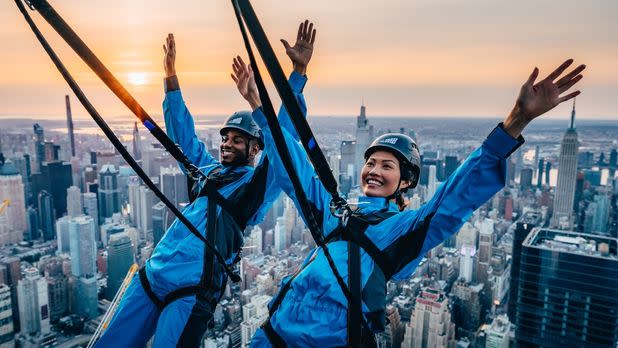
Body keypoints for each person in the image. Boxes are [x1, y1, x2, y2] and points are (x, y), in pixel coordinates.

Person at [230, 56, 585, 346]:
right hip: (270, 335)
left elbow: (455, 197)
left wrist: (517, 120)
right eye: (371, 162)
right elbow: (294, 167)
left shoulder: (402, 230)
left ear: (407, 182)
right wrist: (259, 106)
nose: (374, 170)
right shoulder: (335, 213)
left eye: (387, 166)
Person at [95, 21, 316, 347]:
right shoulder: (207, 171)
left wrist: (296, 75)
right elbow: (183, 136)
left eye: (238, 139)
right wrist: (170, 76)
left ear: (256, 148)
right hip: (153, 274)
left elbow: (283, 142)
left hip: (191, 289)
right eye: (225, 137)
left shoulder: (256, 186)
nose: (227, 143)